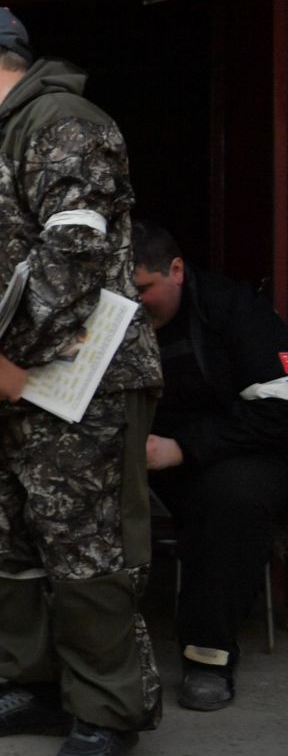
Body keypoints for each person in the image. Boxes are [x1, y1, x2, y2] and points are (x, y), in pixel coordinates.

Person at [0, 6, 164, 756]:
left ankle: (105, 709)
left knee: (86, 551)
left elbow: (75, 252)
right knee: (7, 547)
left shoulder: (63, 122)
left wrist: (7, 358)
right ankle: (33, 686)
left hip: (69, 389)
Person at [131, 220, 288, 710]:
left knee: (231, 498)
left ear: (176, 270)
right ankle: (44, 641)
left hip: (234, 450)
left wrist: (183, 447)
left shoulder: (234, 310)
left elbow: (280, 408)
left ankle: (209, 656)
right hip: (136, 449)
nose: (132, 303)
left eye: (143, 289)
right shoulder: (108, 316)